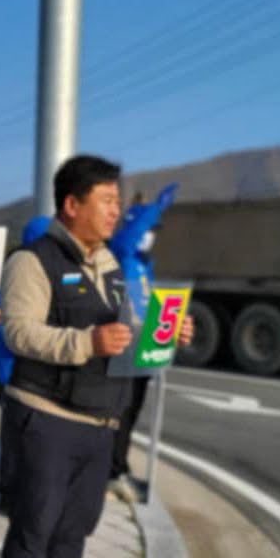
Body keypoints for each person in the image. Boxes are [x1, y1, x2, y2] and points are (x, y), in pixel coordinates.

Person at [0, 156, 191, 558]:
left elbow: (124, 328)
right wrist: (87, 342)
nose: (116, 212)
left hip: (99, 419)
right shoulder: (32, 261)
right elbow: (19, 332)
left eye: (117, 201)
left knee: (76, 526)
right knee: (34, 529)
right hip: (46, 417)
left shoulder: (109, 263)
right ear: (72, 205)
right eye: (106, 201)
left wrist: (165, 331)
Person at [106, 183, 178, 504]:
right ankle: (111, 473)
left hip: (140, 348)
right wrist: (153, 210)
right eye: (149, 230)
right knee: (119, 414)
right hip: (122, 349)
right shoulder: (122, 252)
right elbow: (127, 238)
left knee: (131, 412)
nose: (152, 236)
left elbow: (147, 303)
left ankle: (118, 468)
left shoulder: (144, 264)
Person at [0, 214, 51, 510]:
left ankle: (18, 492)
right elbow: (3, 327)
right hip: (13, 373)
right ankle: (9, 495)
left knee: (26, 441)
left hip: (28, 375)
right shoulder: (17, 273)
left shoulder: (38, 273)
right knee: (16, 440)